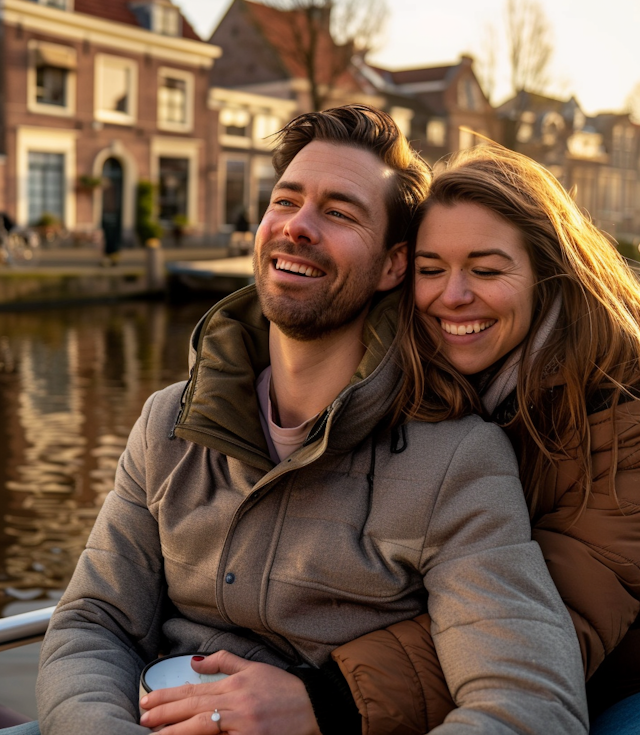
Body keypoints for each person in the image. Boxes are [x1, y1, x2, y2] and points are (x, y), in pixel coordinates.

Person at [7, 108, 587, 735]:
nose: (298, 226)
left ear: (394, 266)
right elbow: (94, 623)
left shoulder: (454, 461)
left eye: (339, 212)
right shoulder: (167, 424)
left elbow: (529, 705)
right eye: (285, 200)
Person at [330, 142, 640, 735]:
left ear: (547, 276)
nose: (453, 296)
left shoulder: (622, 410)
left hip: (613, 684)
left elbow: (552, 622)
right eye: (431, 270)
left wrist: (330, 694)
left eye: (487, 270)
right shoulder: (415, 386)